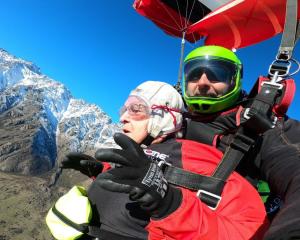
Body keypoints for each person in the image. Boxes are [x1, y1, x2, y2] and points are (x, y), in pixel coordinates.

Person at [62, 81, 268, 239]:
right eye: (124, 109)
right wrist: (101, 170)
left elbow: (251, 229)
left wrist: (170, 204)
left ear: (164, 117)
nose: (123, 117)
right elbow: (144, 179)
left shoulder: (195, 154)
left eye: (136, 109)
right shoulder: (142, 152)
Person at [181, 45, 300, 240]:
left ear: (233, 80)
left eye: (215, 74)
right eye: (194, 76)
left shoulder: (262, 126)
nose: (202, 82)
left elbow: (291, 162)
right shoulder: (172, 124)